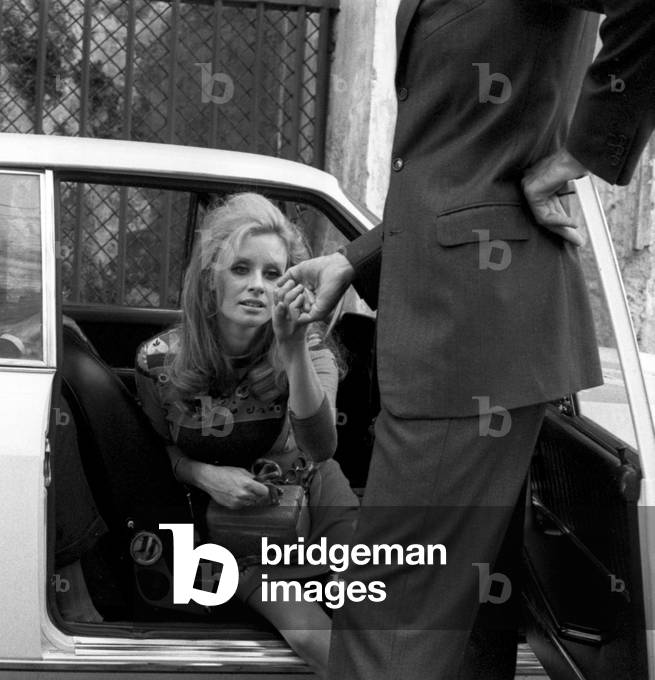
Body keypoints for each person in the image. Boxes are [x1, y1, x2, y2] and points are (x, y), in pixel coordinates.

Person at [279, 2, 655, 679]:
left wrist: (579, 154)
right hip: (469, 321)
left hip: (463, 335)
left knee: (390, 621)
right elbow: (451, 161)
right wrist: (354, 261)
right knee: (467, 632)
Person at [134, 192, 357, 673]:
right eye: (241, 269)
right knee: (315, 640)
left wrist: (292, 345)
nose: (257, 285)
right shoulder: (158, 362)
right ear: (211, 278)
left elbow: (321, 446)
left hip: (317, 505)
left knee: (383, 620)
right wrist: (201, 474)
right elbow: (154, 449)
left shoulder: (311, 348)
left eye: (272, 273)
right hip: (234, 539)